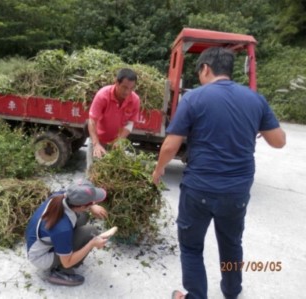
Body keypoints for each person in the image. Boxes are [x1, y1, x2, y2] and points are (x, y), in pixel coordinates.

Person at [152, 47, 286, 299]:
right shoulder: (255, 99)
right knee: (231, 243)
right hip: (236, 192)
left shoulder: (194, 98)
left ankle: (195, 296)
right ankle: (232, 290)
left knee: (191, 247)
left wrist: (158, 171)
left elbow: (170, 145)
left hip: (199, 189)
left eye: (199, 71)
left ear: (205, 68)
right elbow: (279, 141)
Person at [25, 179, 109, 286]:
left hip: (36, 237)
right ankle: (61, 272)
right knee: (90, 232)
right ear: (82, 206)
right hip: (41, 257)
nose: (94, 203)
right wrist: (92, 243)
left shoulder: (62, 195)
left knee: (83, 216)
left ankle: (63, 248)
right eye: (92, 202)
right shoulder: (62, 228)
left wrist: (92, 206)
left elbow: (79, 205)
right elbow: (67, 261)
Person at [86, 68, 140, 171]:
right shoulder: (102, 95)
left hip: (116, 142)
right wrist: (96, 144)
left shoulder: (135, 100)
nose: (127, 92)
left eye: (131, 88)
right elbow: (92, 121)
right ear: (116, 82)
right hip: (98, 139)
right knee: (93, 173)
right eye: (124, 87)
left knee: (114, 173)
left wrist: (120, 140)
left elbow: (130, 123)